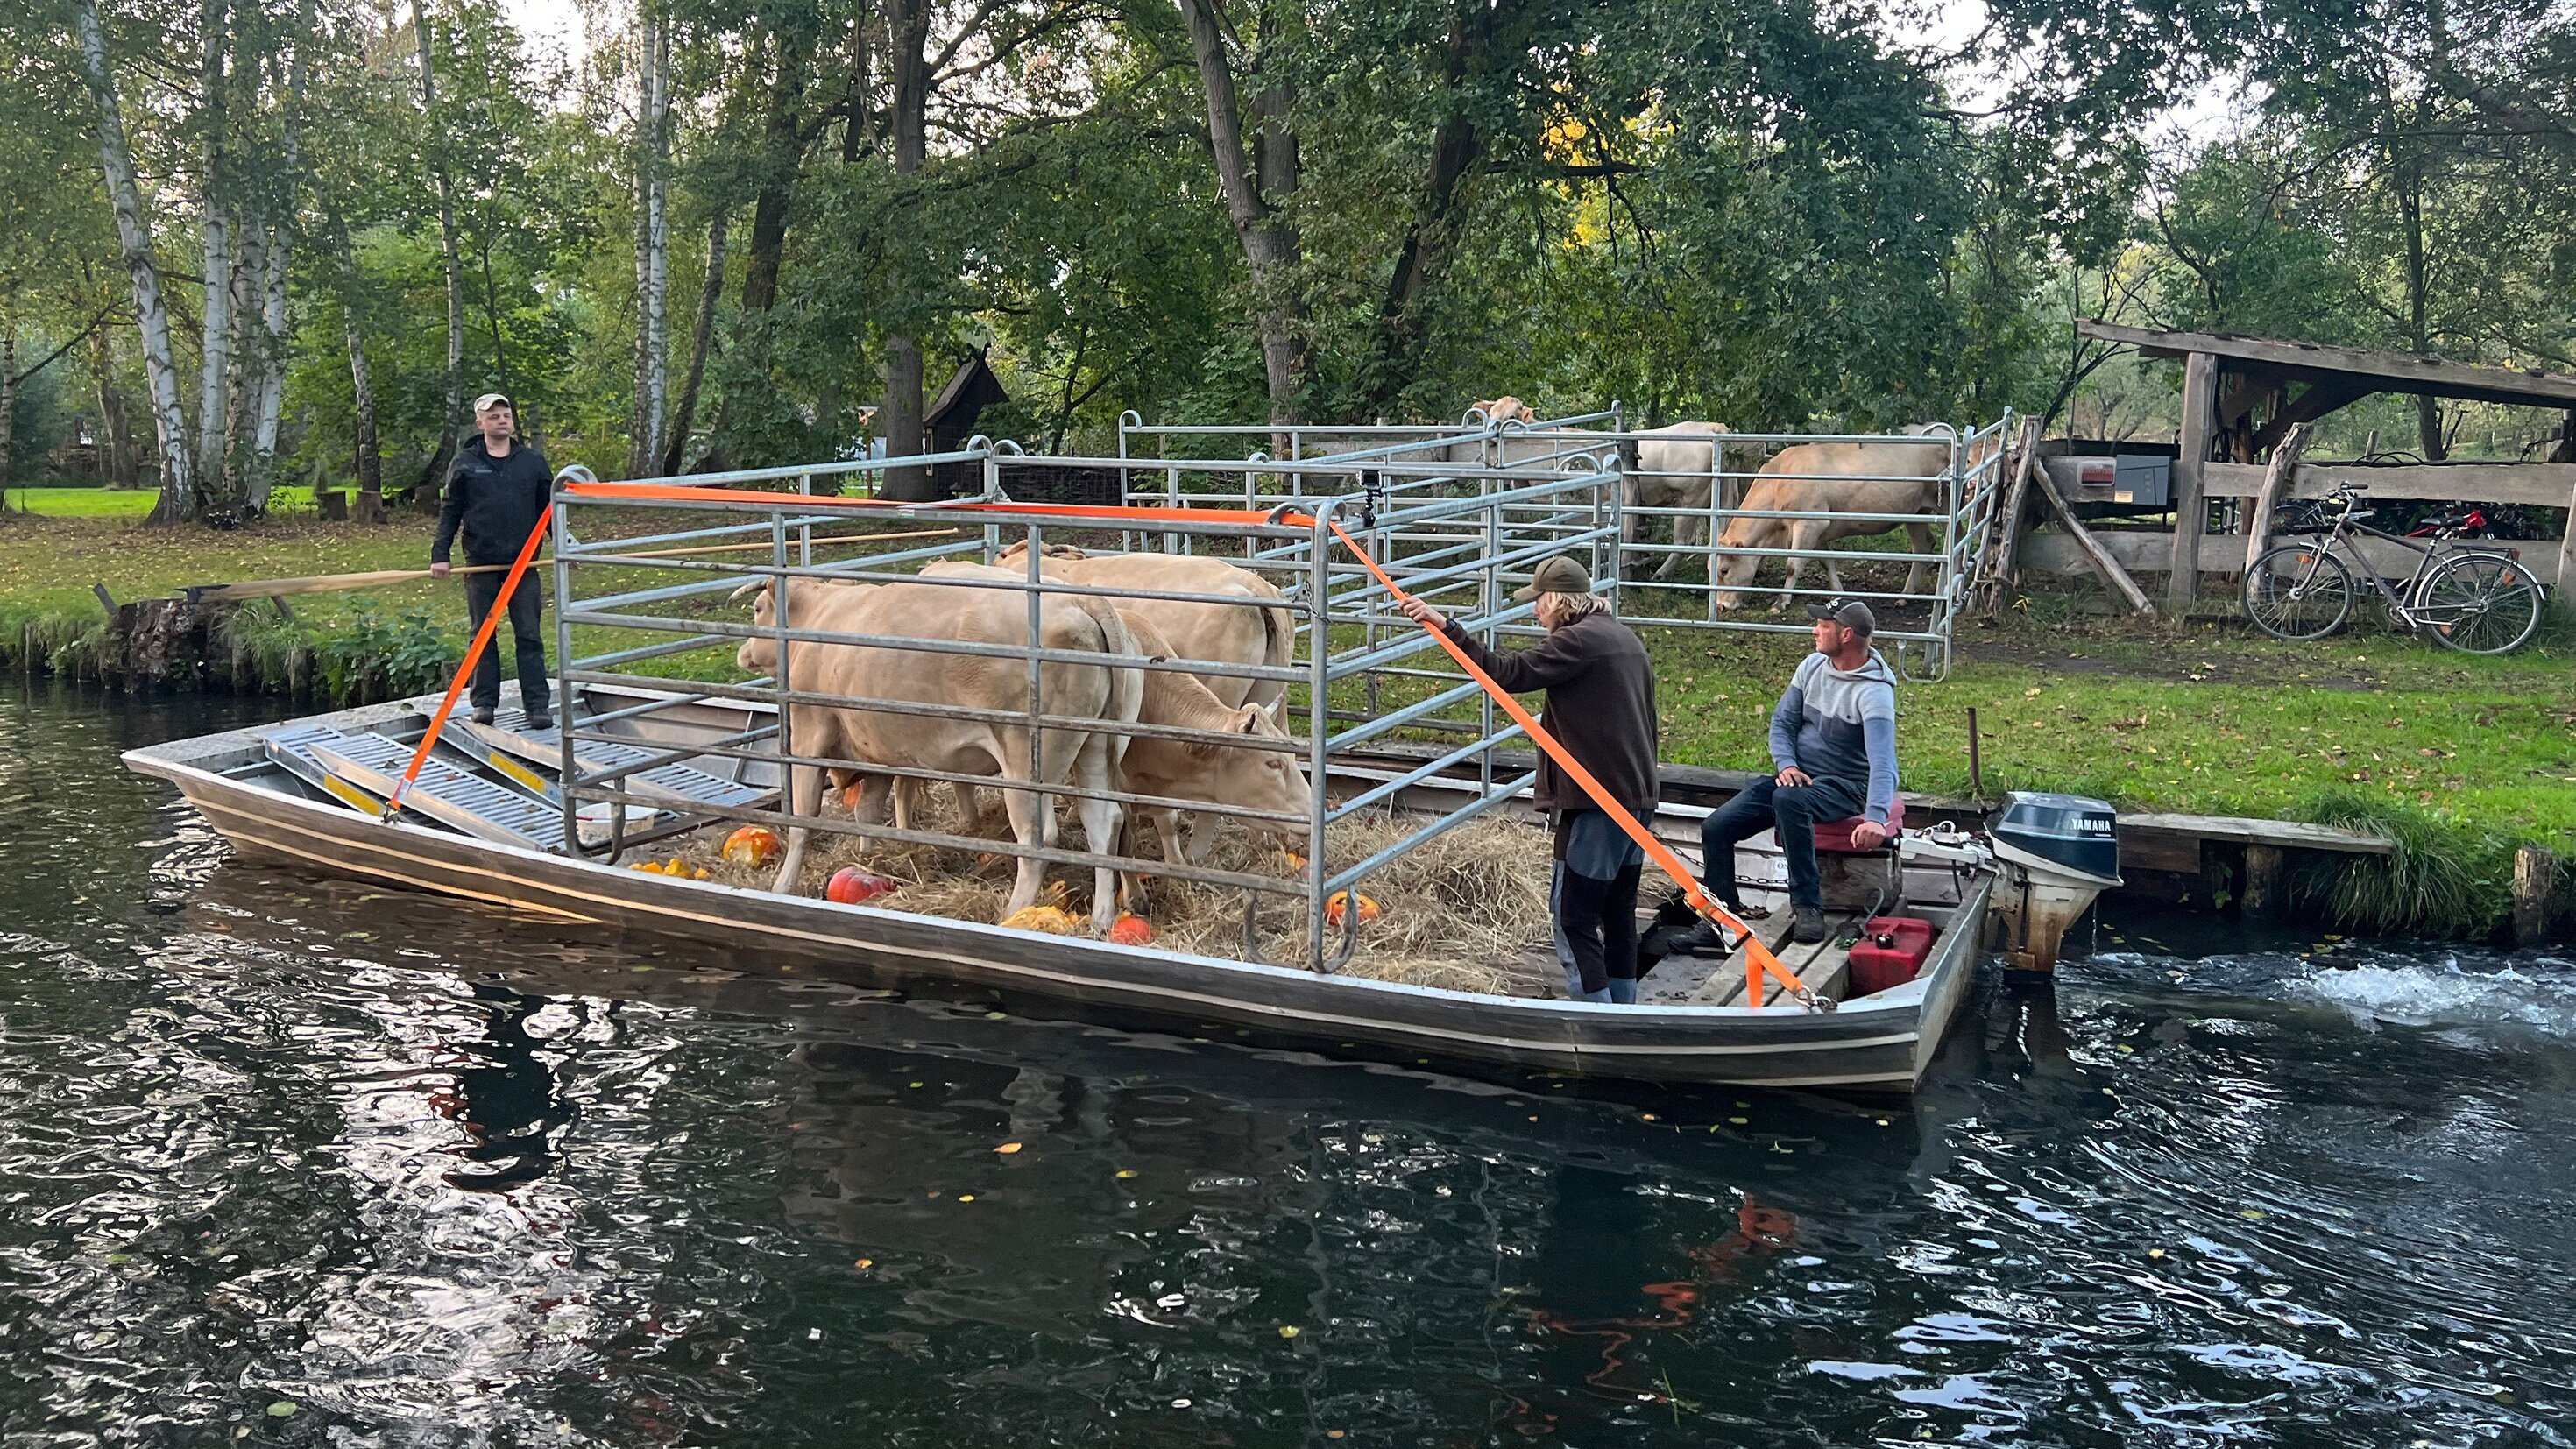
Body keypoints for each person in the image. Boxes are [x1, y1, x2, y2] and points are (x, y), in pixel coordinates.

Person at [1397, 555, 1658, 1004]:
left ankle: (1598, 1023)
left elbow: (1505, 674)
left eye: (1538, 602)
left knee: (1573, 918)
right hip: (1637, 797)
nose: (1535, 611)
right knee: (1617, 913)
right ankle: (1626, 1012)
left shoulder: (1577, 642)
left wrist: (1447, 626)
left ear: (1557, 600)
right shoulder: (1622, 637)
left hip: (1597, 804)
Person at [1694, 597, 1898, 946]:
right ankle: (1722, 919)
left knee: (1789, 800)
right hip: (1795, 779)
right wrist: (1787, 764)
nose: (1814, 630)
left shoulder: (1874, 694)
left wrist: (1876, 817)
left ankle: (1807, 907)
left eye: (1823, 625)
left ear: (1846, 634)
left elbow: (1884, 763)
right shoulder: (1812, 666)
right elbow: (1782, 723)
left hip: (1845, 787)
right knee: (1717, 827)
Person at [431, 393, 554, 729]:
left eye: (506, 415)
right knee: (482, 634)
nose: (502, 420)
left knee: (529, 634)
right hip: (481, 562)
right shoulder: (465, 463)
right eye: (494, 416)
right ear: (480, 423)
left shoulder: (533, 463)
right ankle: (484, 702)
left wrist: (565, 547)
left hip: (524, 565)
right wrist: (439, 555)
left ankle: (538, 706)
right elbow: (450, 511)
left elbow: (551, 511)